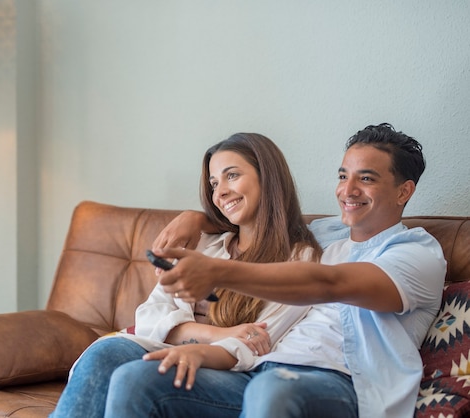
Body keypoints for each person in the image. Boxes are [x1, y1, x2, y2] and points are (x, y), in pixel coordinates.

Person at [104, 123, 447, 418]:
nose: (347, 190)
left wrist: (216, 272)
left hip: (344, 382)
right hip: (257, 369)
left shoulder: (416, 254)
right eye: (343, 176)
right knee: (138, 377)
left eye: (366, 178)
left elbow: (330, 283)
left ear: (404, 191)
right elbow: (263, 217)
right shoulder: (328, 232)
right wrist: (195, 218)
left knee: (272, 390)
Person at [50, 133, 323, 418]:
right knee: (104, 354)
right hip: (170, 347)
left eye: (232, 176)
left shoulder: (299, 259)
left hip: (234, 372)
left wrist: (206, 339)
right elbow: (150, 315)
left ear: (267, 177)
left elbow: (255, 342)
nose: (220, 193)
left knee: (135, 376)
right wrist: (218, 333)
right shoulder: (205, 245)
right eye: (214, 183)